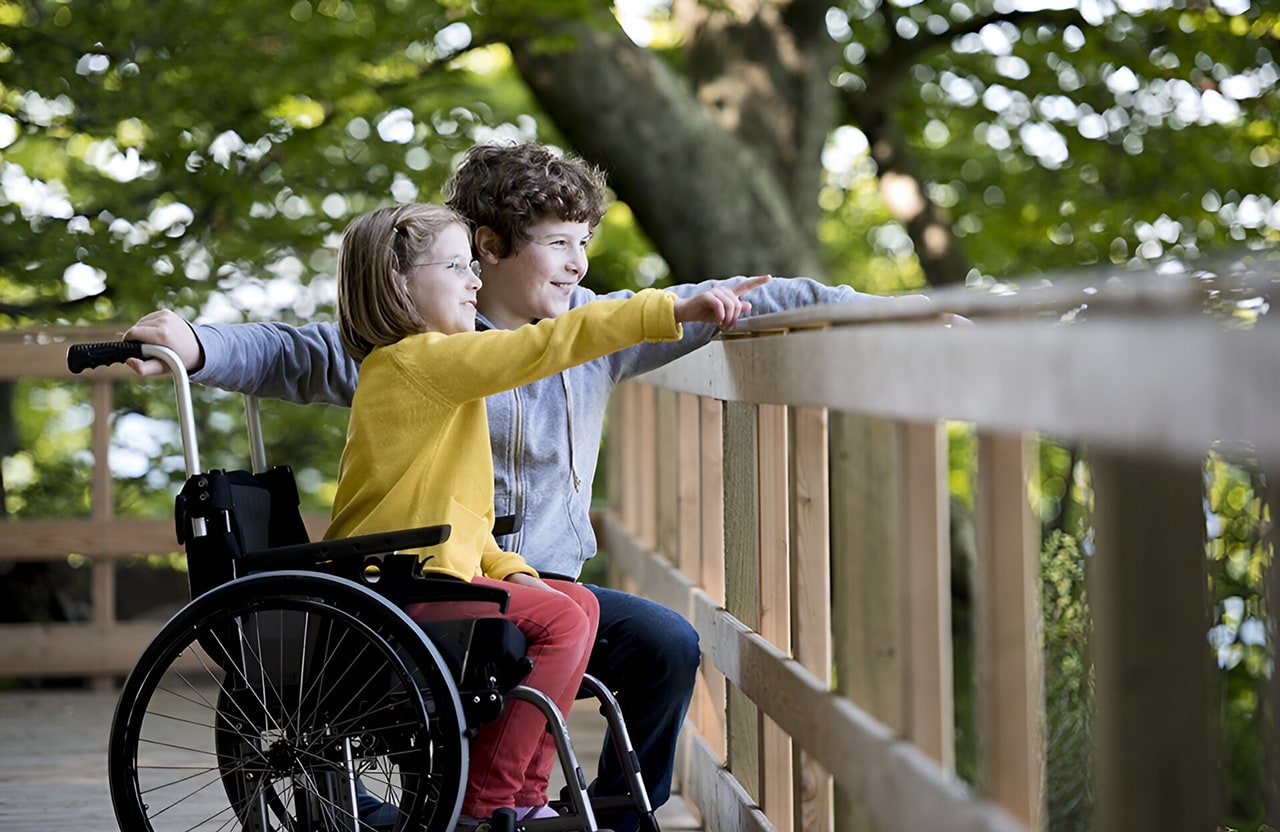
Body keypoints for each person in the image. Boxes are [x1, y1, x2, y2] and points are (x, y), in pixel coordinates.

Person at [124, 141, 882, 831]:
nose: (580, 263)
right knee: (518, 645)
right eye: (558, 243)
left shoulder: (595, 329)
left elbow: (739, 296)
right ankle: (473, 806)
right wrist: (198, 344)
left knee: (666, 642)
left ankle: (609, 814)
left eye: (585, 243)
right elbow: (287, 349)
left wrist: (876, 312)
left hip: (519, 576)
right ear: (488, 249)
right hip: (424, 585)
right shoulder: (410, 345)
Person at [319, 200, 764, 827]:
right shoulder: (414, 362)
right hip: (392, 590)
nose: (474, 280)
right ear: (400, 284)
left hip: (428, 574)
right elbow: (547, 345)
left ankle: (524, 796)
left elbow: (460, 517)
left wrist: (513, 568)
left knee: (572, 604)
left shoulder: (438, 374)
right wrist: (665, 310)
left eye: (473, 265)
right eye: (456, 266)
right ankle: (490, 799)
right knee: (561, 618)